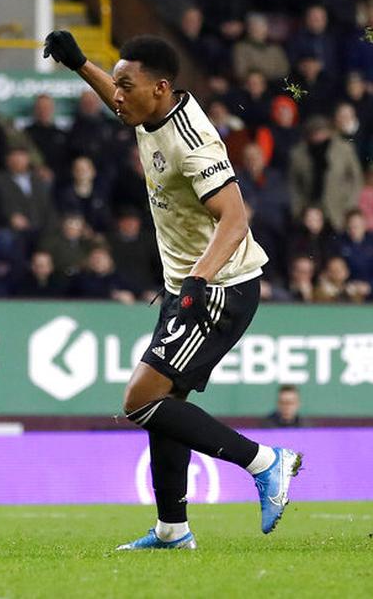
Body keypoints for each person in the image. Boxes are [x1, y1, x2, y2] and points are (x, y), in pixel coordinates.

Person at [44, 30, 300, 549]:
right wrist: (79, 65)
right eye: (115, 85)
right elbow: (115, 92)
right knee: (166, 407)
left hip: (220, 288)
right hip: (189, 284)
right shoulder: (146, 109)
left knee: (140, 399)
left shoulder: (193, 142)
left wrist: (196, 282)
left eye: (125, 87)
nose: (116, 96)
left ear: (160, 88)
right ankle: (171, 530)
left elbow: (234, 218)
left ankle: (266, 461)